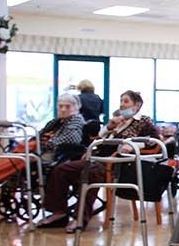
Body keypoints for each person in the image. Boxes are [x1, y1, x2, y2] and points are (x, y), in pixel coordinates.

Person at [37, 91, 158, 231]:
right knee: (61, 169)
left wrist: (132, 146)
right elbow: (99, 139)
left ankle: (80, 219)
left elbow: (154, 141)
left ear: (137, 105)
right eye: (121, 101)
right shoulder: (119, 121)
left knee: (90, 174)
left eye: (126, 101)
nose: (122, 104)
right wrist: (109, 127)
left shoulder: (143, 121)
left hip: (119, 163)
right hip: (99, 158)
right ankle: (59, 213)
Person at [37, 93, 86, 166]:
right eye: (60, 106)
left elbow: (70, 139)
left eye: (68, 106)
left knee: (27, 160)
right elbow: (40, 133)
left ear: (76, 107)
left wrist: (46, 143)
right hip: (43, 150)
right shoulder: (56, 121)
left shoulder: (76, 120)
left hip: (57, 154)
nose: (63, 109)